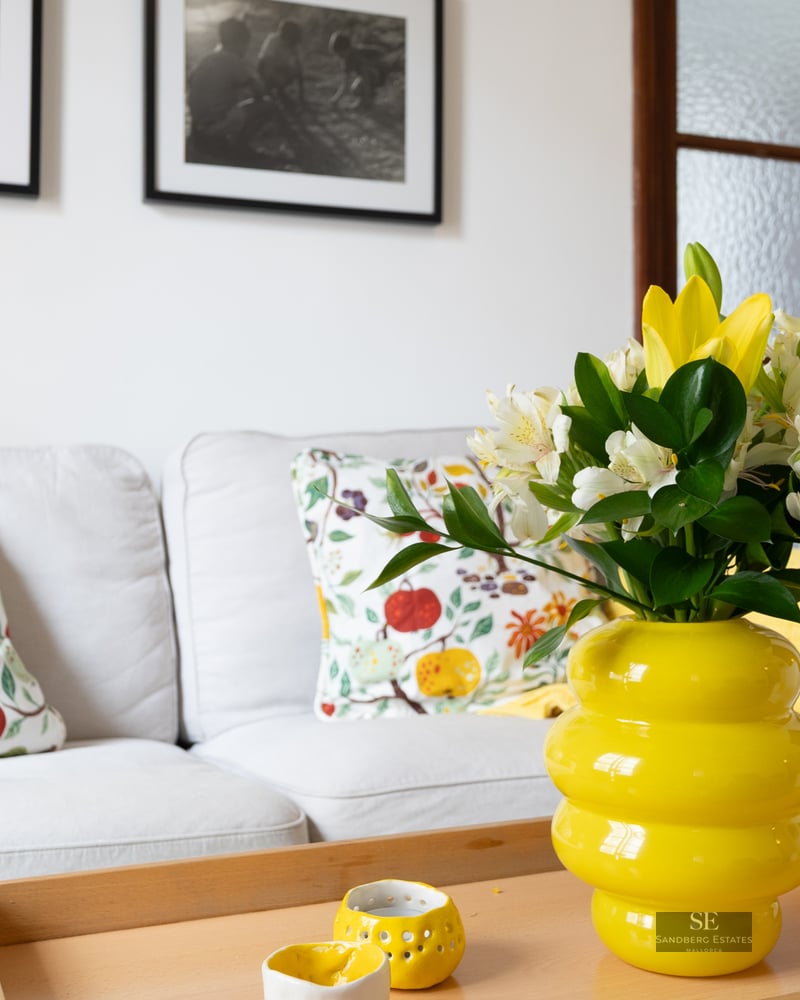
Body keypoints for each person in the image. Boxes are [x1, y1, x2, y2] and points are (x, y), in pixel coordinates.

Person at [187, 17, 263, 150]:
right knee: (266, 106)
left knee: (227, 102)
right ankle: (239, 145)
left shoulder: (208, 58)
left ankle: (206, 135)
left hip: (198, 124)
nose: (246, 49)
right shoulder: (234, 60)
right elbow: (259, 92)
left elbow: (190, 80)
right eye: (246, 45)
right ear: (240, 43)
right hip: (215, 126)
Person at [328, 31, 388, 109]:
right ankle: (367, 100)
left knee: (363, 74)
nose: (340, 57)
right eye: (338, 54)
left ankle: (367, 101)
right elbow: (345, 83)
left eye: (340, 53)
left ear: (347, 49)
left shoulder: (358, 55)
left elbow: (382, 53)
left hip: (381, 73)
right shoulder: (346, 60)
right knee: (355, 89)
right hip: (373, 74)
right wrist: (335, 99)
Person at [257, 18, 305, 107]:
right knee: (272, 80)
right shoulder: (273, 41)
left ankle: (279, 90)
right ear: (284, 36)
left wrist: (301, 93)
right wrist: (276, 79)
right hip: (265, 66)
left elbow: (299, 68)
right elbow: (267, 65)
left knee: (292, 72)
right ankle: (267, 92)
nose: (291, 44)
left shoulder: (294, 44)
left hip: (280, 67)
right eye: (289, 40)